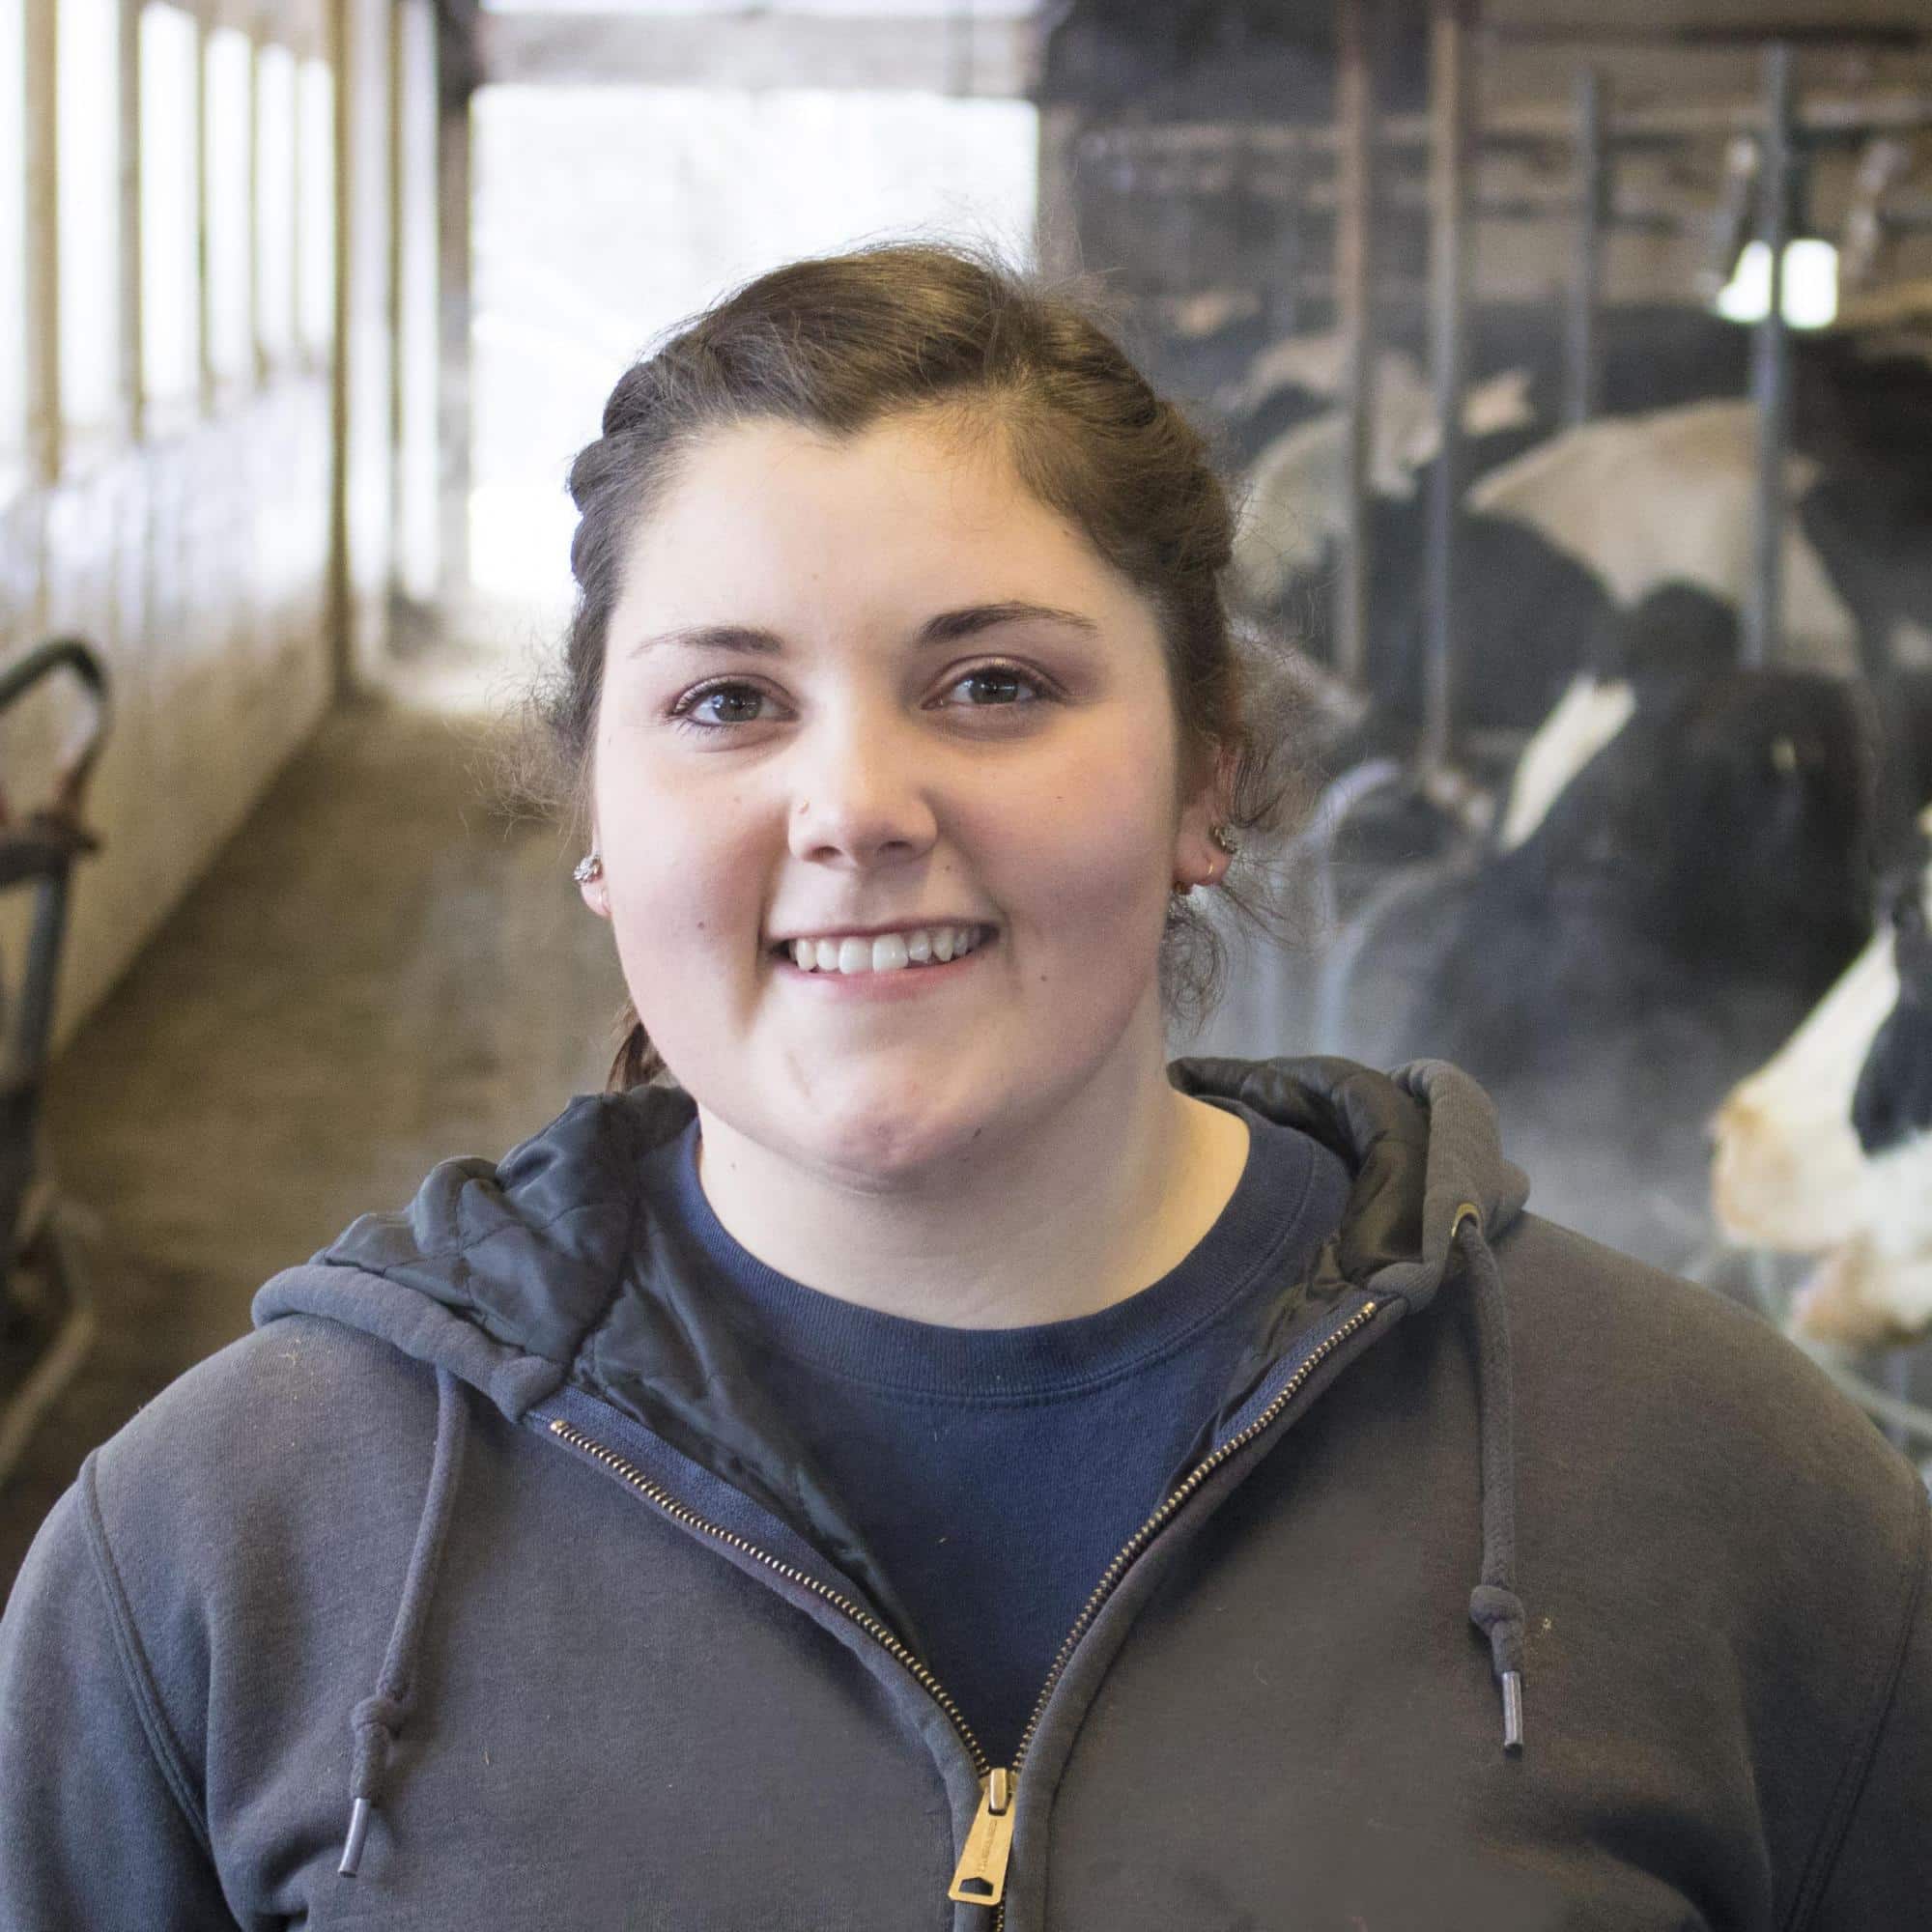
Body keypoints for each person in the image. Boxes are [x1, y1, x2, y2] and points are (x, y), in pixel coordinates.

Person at [1, 240, 1927, 1930]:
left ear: (1205, 775)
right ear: (598, 819)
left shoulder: (1728, 1503)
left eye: (992, 683)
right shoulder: (221, 1547)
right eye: (725, 702)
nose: (854, 808)